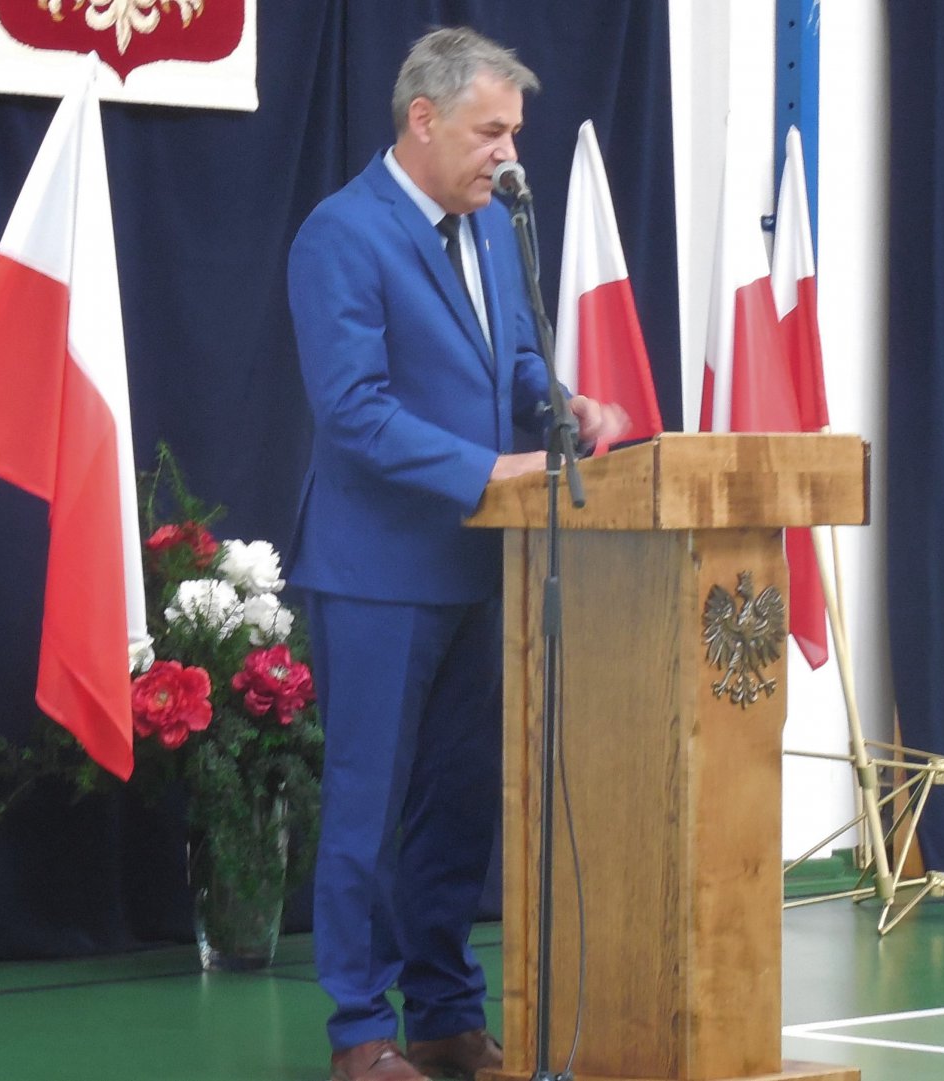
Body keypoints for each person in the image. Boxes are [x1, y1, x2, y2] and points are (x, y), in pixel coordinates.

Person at [285, 27, 627, 1081]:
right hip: (378, 574)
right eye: (490, 132)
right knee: (369, 809)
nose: (508, 154)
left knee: (458, 808)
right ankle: (359, 1032)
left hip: (480, 569)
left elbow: (510, 360)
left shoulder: (493, 228)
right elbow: (354, 410)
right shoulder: (343, 234)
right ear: (422, 119)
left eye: (513, 132)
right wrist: (490, 468)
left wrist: (561, 403)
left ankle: (443, 1014)